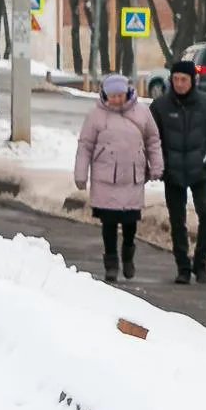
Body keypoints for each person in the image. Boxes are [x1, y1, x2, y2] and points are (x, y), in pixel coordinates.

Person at [73, 74, 163, 284]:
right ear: (105, 94)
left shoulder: (141, 112)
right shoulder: (96, 115)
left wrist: (157, 166)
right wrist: (80, 174)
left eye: (120, 95)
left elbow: (153, 140)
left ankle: (128, 255)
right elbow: (85, 145)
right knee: (109, 224)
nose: (116, 100)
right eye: (112, 96)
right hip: (105, 179)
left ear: (127, 93)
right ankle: (111, 264)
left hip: (132, 177)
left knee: (131, 223)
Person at [148, 59, 206, 285]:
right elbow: (153, 140)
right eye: (176, 79)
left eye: (185, 79)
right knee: (177, 221)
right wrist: (159, 164)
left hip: (200, 171)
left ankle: (200, 263)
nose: (180, 83)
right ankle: (182, 267)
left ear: (193, 80)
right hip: (172, 173)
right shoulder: (160, 106)